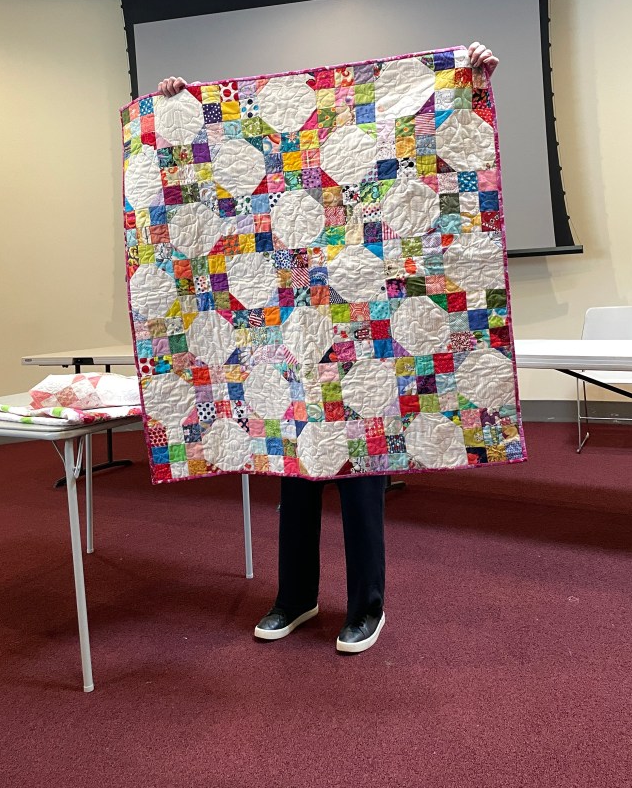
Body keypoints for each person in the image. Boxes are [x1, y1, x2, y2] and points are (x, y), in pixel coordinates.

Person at [158, 41, 499, 654]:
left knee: (361, 476)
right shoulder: (279, 176)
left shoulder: (368, 166)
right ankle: (296, 596)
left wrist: (467, 77)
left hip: (362, 337)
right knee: (296, 473)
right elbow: (219, 187)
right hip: (290, 337)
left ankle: (367, 605)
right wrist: (178, 110)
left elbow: (423, 176)